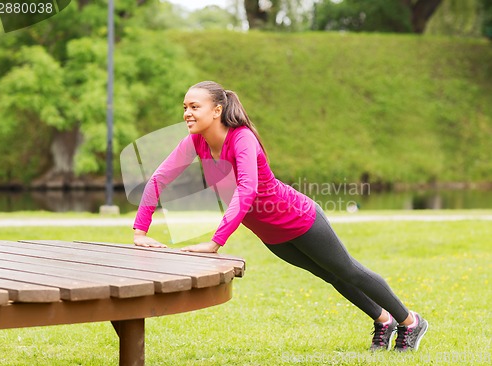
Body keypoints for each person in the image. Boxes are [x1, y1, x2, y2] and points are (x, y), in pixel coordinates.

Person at [133, 80, 428, 352]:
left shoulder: (241, 138)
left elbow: (246, 190)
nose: (187, 113)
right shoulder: (196, 142)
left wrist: (215, 242)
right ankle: (383, 321)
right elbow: (159, 179)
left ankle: (410, 322)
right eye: (185, 107)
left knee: (347, 270)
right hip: (272, 235)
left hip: (300, 219)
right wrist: (140, 232)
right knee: (329, 275)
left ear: (217, 110)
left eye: (194, 107)